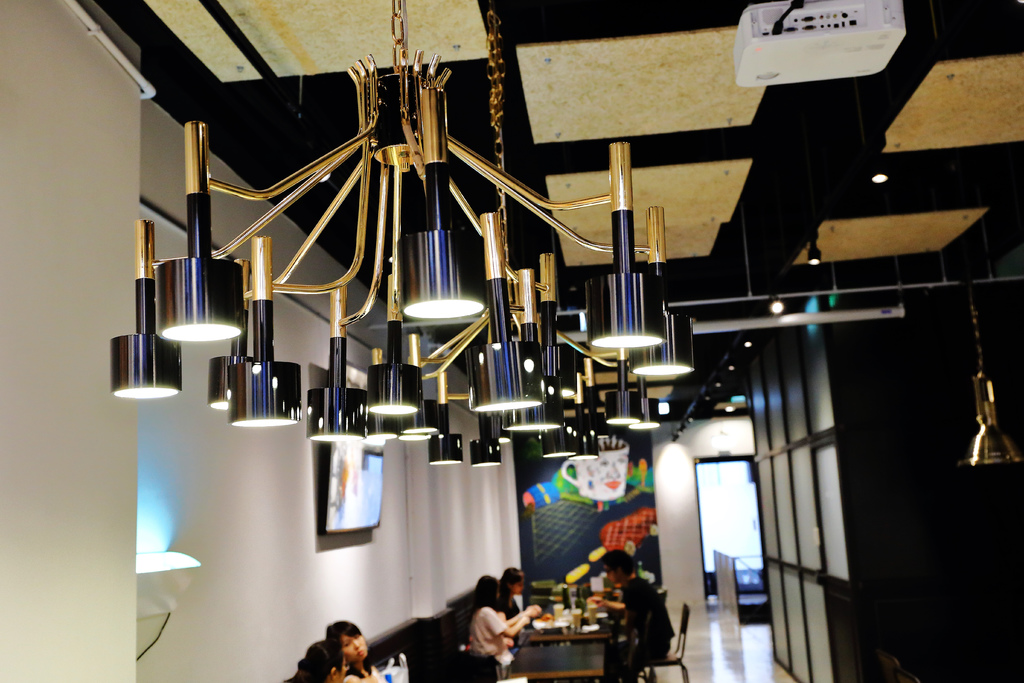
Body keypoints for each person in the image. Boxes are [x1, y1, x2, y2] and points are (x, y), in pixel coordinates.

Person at [589, 549, 674, 659]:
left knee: (608, 655)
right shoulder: (637, 584)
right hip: (661, 643)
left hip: (654, 647)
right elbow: (627, 608)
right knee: (611, 650)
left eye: (608, 571)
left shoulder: (632, 590)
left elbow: (629, 623)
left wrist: (629, 649)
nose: (607, 575)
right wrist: (604, 603)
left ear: (619, 570)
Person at [469, 575, 532, 665]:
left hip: (491, 657)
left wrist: (502, 641)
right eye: (497, 591)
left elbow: (496, 631)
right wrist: (523, 621)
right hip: (495, 660)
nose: (498, 594)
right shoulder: (486, 612)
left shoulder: (478, 611)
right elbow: (510, 632)